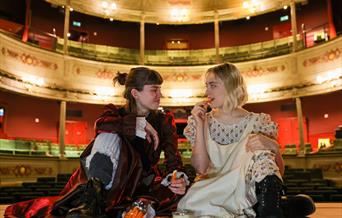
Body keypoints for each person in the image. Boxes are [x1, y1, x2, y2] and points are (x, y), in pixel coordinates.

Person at [5, 67, 188, 218]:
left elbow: (173, 159)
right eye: (154, 90)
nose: (160, 95)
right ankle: (91, 200)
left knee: (173, 195)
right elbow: (101, 125)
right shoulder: (114, 115)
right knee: (108, 134)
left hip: (141, 182)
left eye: (160, 90)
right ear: (135, 93)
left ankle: (119, 208)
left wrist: (177, 176)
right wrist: (137, 123)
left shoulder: (164, 121)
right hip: (108, 179)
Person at [177, 63, 315, 217]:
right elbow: (201, 169)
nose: (206, 91)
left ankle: (270, 210)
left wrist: (274, 146)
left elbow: (278, 172)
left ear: (231, 86)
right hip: (210, 190)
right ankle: (280, 208)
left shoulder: (258, 122)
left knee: (257, 142)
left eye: (212, 85)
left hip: (246, 191)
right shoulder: (200, 120)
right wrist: (200, 124)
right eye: (206, 85)